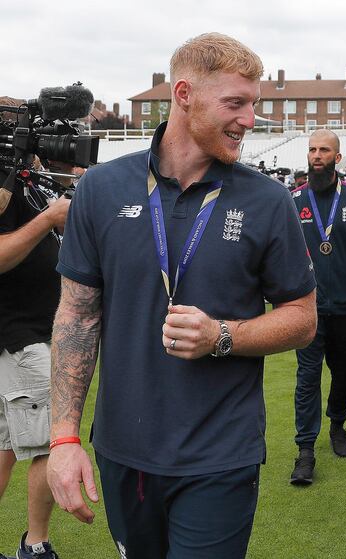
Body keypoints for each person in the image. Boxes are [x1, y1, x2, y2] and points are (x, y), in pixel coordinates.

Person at [46, 33, 317, 559]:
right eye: (235, 103)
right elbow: (76, 318)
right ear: (185, 93)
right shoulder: (102, 189)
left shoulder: (267, 200)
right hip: (123, 448)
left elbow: (303, 319)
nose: (248, 119)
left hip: (221, 452)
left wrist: (224, 336)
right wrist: (63, 438)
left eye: (253, 105)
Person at [0, 158, 76, 559]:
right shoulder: (5, 182)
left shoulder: (22, 179)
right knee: (50, 442)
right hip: (21, 339)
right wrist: (47, 219)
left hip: (22, 336)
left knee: (5, 448)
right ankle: (35, 545)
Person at [290, 129, 346, 485]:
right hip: (307, 308)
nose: (317, 155)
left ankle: (337, 425)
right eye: (312, 150)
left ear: (338, 158)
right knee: (307, 377)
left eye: (324, 150)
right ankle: (305, 449)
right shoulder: (294, 201)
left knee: (342, 373)